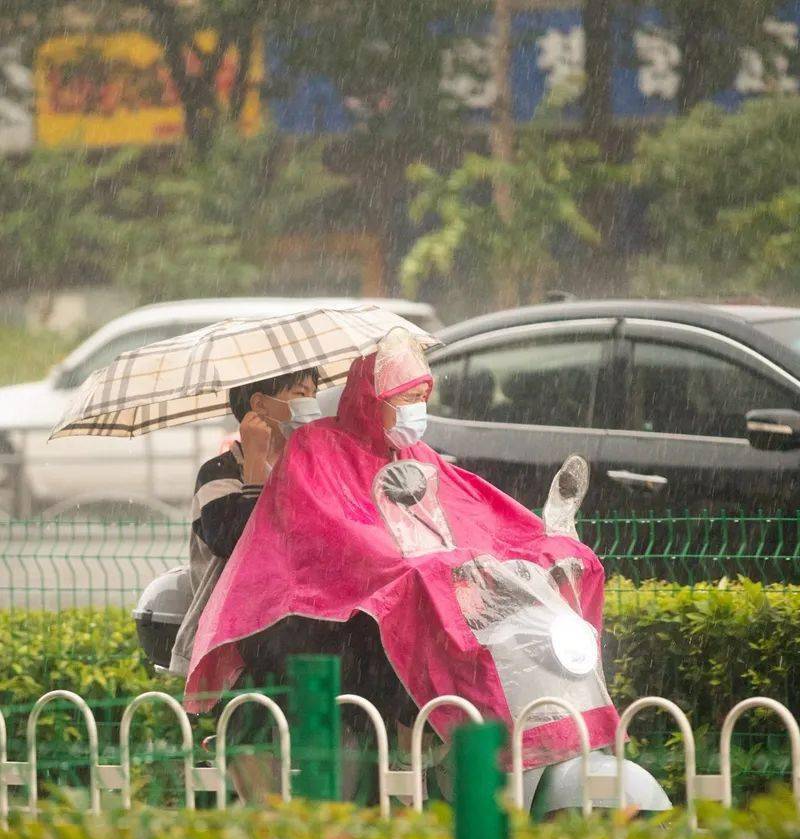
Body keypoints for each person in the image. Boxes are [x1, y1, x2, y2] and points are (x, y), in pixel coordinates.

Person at [185, 331, 621, 807]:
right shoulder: (308, 452)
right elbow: (314, 535)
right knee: (379, 659)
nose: (310, 403)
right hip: (283, 613)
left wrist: (533, 540)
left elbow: (469, 506)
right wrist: (394, 566)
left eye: (420, 396)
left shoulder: (402, 455)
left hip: (363, 597)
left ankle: (422, 771)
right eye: (405, 397)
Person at [169, 368, 321, 676]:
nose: (312, 403)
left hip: (305, 615)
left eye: (314, 394)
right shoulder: (219, 472)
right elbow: (232, 541)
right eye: (300, 394)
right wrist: (254, 465)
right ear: (260, 405)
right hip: (240, 630)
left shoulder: (309, 464)